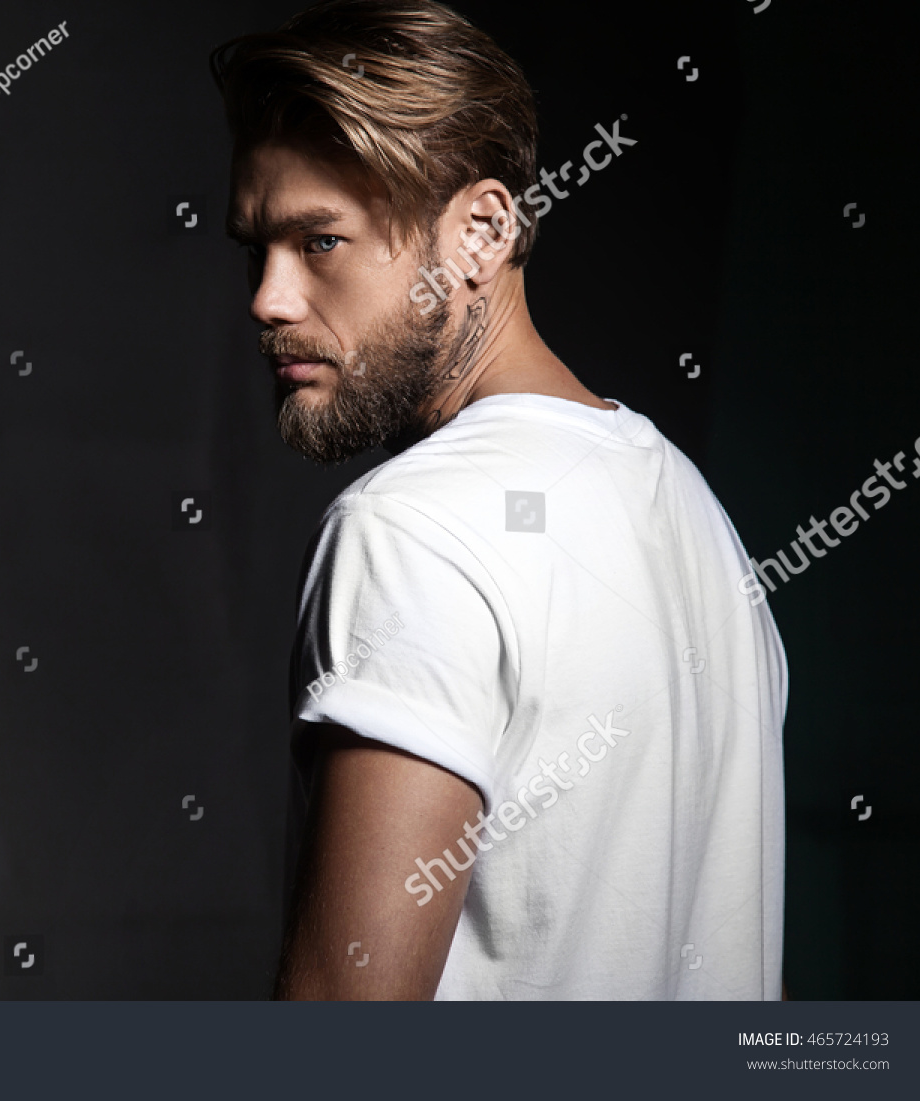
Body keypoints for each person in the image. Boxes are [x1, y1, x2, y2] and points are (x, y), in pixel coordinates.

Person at [210, 0, 787, 999]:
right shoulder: (695, 515)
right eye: (257, 248)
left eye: (321, 243)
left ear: (480, 230)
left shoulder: (408, 532)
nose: (268, 298)